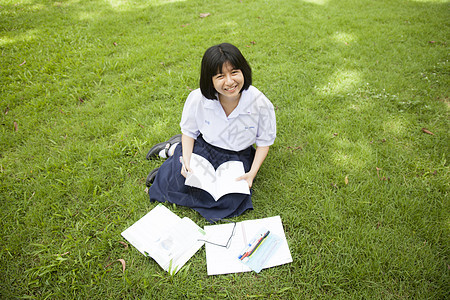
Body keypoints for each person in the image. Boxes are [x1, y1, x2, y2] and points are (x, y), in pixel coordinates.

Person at [146, 43, 276, 222]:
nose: (229, 82)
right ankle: (172, 154)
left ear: (244, 71)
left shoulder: (260, 103)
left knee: (227, 202)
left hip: (237, 157)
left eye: (234, 72)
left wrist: (252, 173)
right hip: (206, 148)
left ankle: (172, 153)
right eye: (220, 76)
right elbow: (190, 132)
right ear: (210, 79)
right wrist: (187, 162)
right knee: (180, 177)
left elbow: (264, 142)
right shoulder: (198, 99)